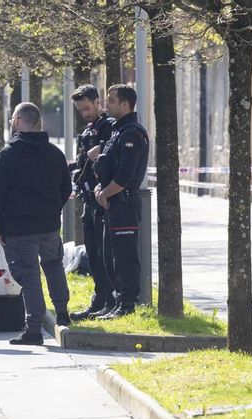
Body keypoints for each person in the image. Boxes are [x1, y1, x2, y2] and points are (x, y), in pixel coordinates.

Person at [0, 102, 71, 346]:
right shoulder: (55, 153)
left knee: (29, 276)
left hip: (19, 229)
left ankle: (34, 329)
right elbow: (66, 188)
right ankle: (62, 313)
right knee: (54, 267)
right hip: (49, 226)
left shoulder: (7, 155)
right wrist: (52, 210)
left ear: (16, 121)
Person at [93, 84, 149, 319]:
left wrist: (105, 193)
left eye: (112, 100)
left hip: (124, 204)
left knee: (125, 257)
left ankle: (127, 304)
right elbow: (107, 168)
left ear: (125, 105)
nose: (107, 104)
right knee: (109, 256)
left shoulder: (132, 134)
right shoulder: (118, 131)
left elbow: (125, 177)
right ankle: (115, 302)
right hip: (113, 204)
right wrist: (100, 189)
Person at [69, 85, 115, 320]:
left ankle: (109, 300)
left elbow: (115, 155)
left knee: (103, 252)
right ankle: (99, 299)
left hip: (102, 199)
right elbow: (82, 164)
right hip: (88, 198)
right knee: (93, 253)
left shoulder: (109, 127)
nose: (84, 113)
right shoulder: (88, 131)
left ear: (98, 102)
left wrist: (103, 148)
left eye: (87, 108)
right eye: (80, 110)